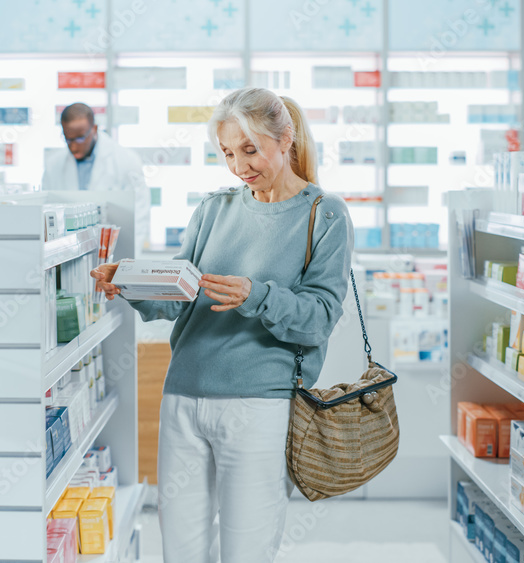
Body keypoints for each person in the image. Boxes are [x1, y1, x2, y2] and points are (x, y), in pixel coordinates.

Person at [90, 88, 354, 563]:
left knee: (245, 551)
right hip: (184, 398)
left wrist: (256, 295)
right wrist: (128, 282)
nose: (238, 166)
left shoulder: (324, 214)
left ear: (285, 138)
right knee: (181, 550)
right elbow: (177, 298)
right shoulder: (214, 210)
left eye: (250, 150)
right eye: (228, 153)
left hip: (260, 408)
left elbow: (319, 318)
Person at [42, 102, 150, 253]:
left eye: (79, 138)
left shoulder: (126, 161)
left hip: (114, 253)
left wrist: (126, 262)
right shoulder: (54, 165)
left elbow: (139, 217)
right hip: (66, 254)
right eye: (68, 139)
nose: (73, 146)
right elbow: (47, 213)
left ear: (94, 129)